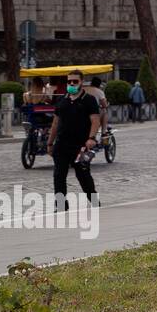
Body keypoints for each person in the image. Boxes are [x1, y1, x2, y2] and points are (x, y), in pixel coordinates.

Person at [46, 69, 101, 211]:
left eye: (75, 81)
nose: (71, 83)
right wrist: (50, 143)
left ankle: (94, 200)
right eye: (69, 81)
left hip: (80, 146)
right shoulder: (61, 100)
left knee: (83, 175)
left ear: (81, 82)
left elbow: (95, 120)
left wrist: (91, 138)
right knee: (58, 175)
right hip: (61, 144)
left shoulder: (89, 100)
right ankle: (61, 205)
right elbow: (55, 123)